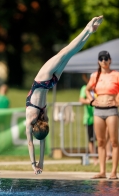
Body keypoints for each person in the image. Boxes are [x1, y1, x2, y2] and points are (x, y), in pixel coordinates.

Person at [26, 15, 103, 175]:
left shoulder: (43, 118)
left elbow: (41, 142)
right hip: (41, 80)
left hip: (51, 81)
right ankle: (89, 28)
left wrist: (39, 164)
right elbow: (31, 143)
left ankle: (90, 31)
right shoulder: (31, 118)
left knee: (70, 52)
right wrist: (34, 163)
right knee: (67, 51)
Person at [86, 50, 119, 180]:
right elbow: (88, 89)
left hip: (111, 110)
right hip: (98, 110)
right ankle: (102, 171)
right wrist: (91, 101)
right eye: (101, 59)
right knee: (100, 141)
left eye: (106, 58)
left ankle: (113, 172)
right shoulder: (95, 75)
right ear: (98, 61)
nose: (104, 61)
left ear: (110, 60)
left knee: (114, 141)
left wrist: (117, 101)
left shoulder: (116, 74)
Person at [79, 74, 98, 165]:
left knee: (103, 139)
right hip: (89, 118)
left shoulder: (99, 87)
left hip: (100, 117)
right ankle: (95, 159)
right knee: (91, 140)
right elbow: (81, 100)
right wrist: (91, 102)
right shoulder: (85, 88)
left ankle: (105, 157)